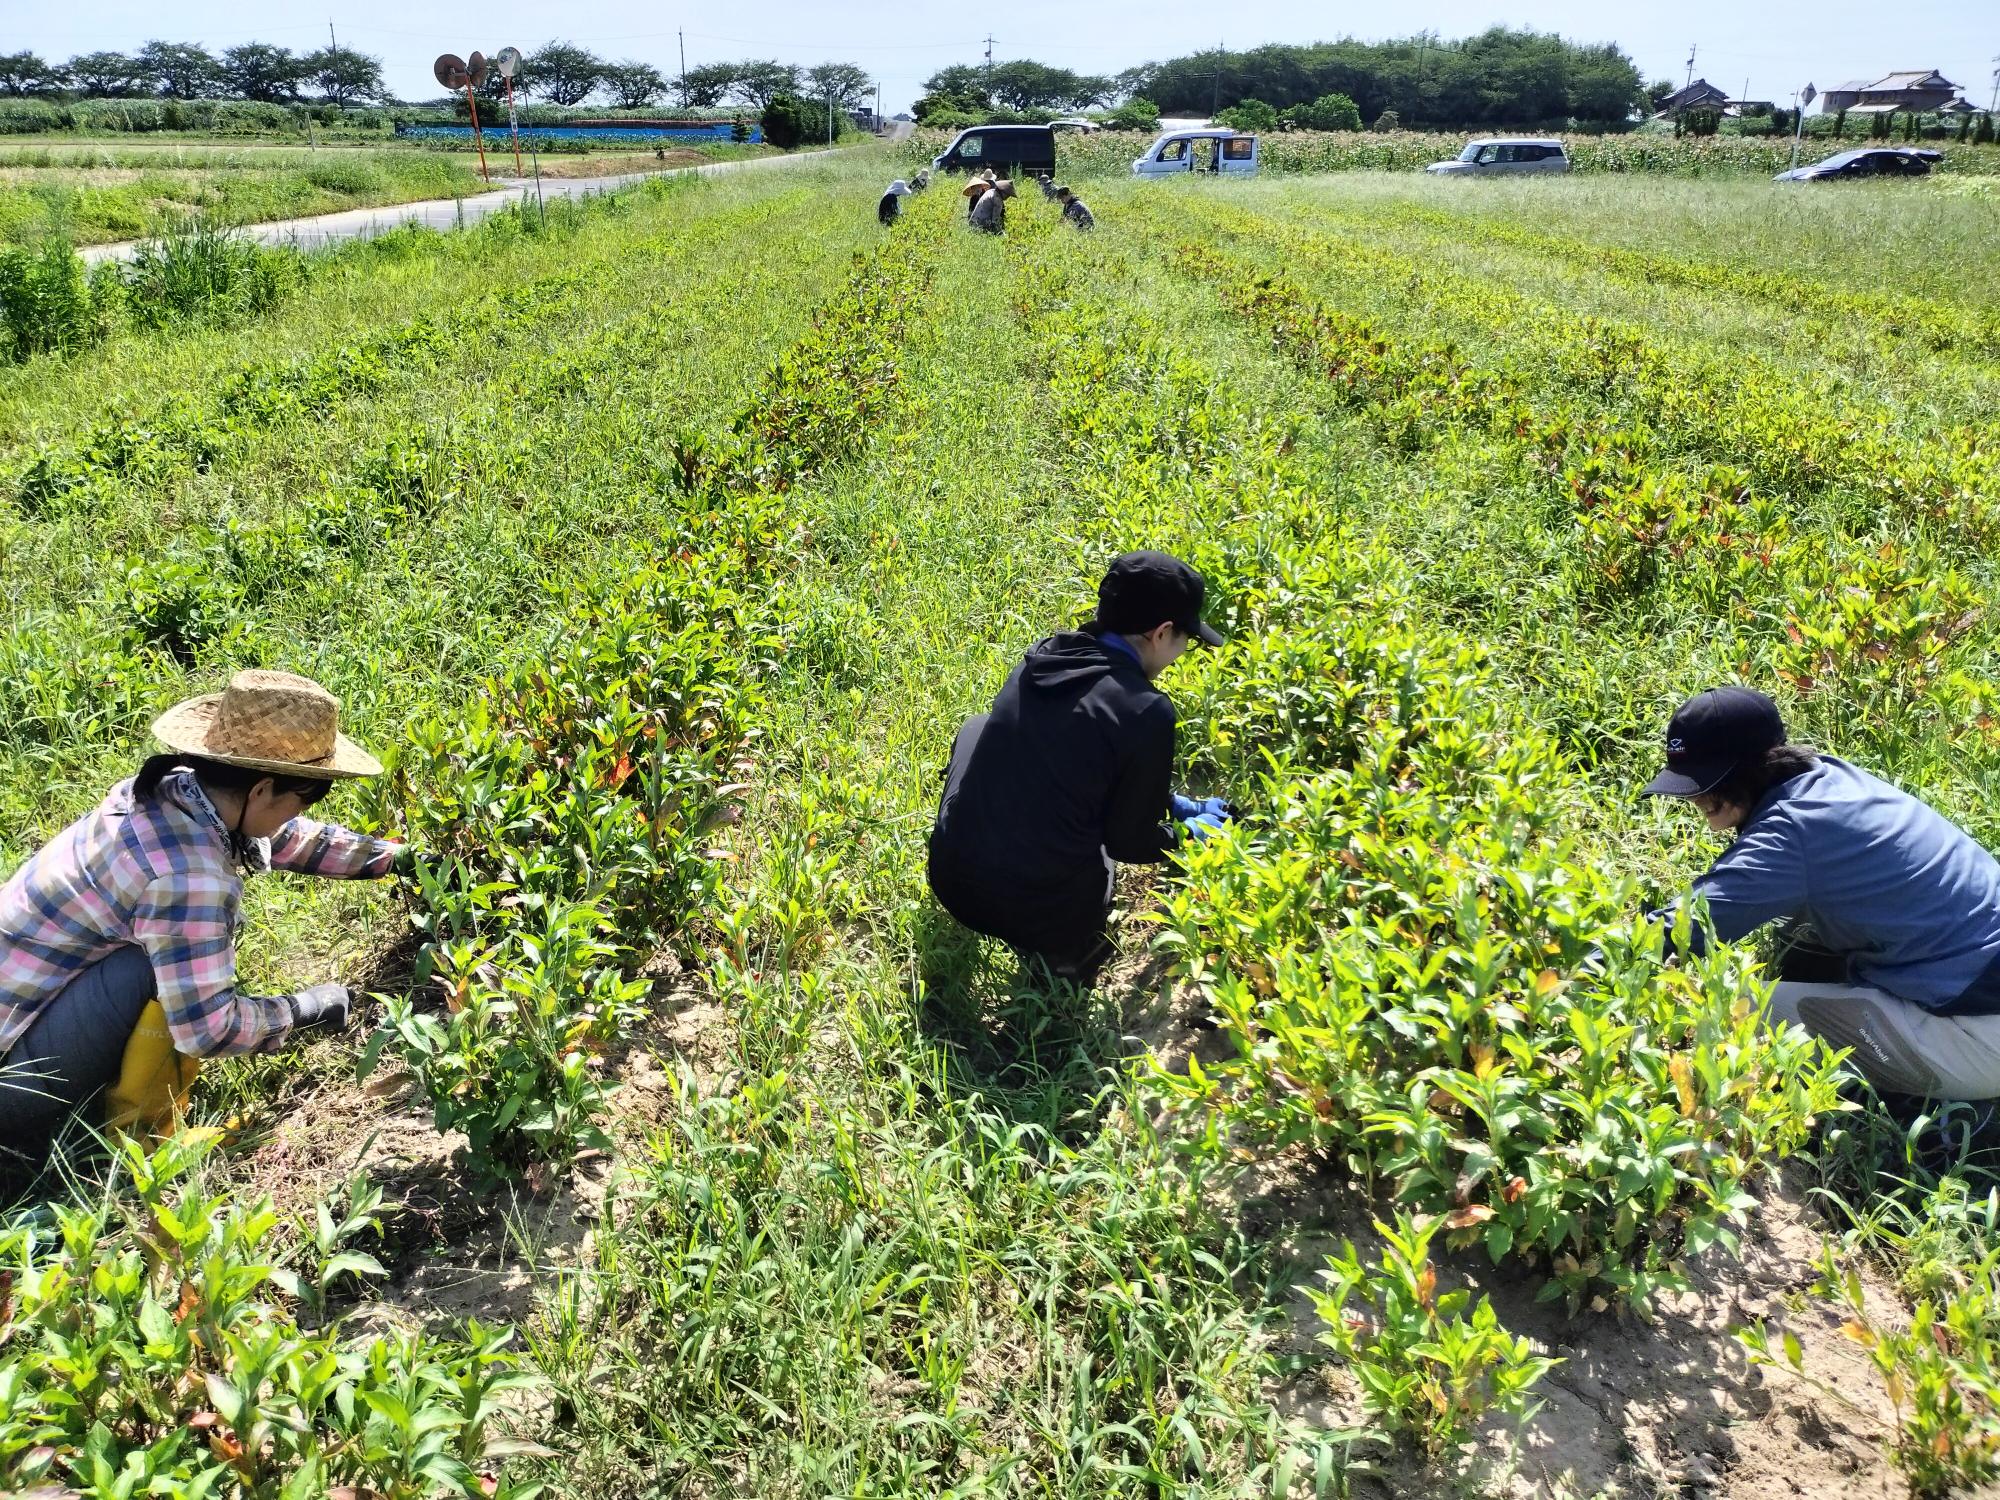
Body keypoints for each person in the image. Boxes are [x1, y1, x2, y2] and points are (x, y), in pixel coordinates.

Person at [0, 669, 415, 1169]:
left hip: (22, 1019)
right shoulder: (187, 876)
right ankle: (132, 1148)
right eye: (306, 798)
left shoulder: (171, 792)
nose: (297, 814)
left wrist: (397, 859)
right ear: (261, 789)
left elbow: (281, 836)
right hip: (10, 1084)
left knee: (162, 960)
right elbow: (209, 1030)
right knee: (154, 971)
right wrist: (308, 1007)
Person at [1645, 685, 2000, 1103]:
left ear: (1751, 768)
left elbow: (1683, 929)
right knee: (1798, 926)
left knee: (1723, 1007)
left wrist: (1578, 965)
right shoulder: (1826, 778)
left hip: (1979, 1035)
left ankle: (1919, 1113)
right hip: (1975, 981)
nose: (1695, 797)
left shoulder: (1791, 833)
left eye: (1706, 783)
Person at [928, 552, 1229, 984]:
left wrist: (1172, 803)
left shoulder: (1047, 655)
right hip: (1043, 919)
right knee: (1099, 842)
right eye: (1187, 640)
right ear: (1162, 632)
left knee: (977, 729)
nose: (1183, 651)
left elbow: (1072, 756)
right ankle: (1070, 955)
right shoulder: (1148, 713)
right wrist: (1189, 833)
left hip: (953, 883)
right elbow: (1128, 842)